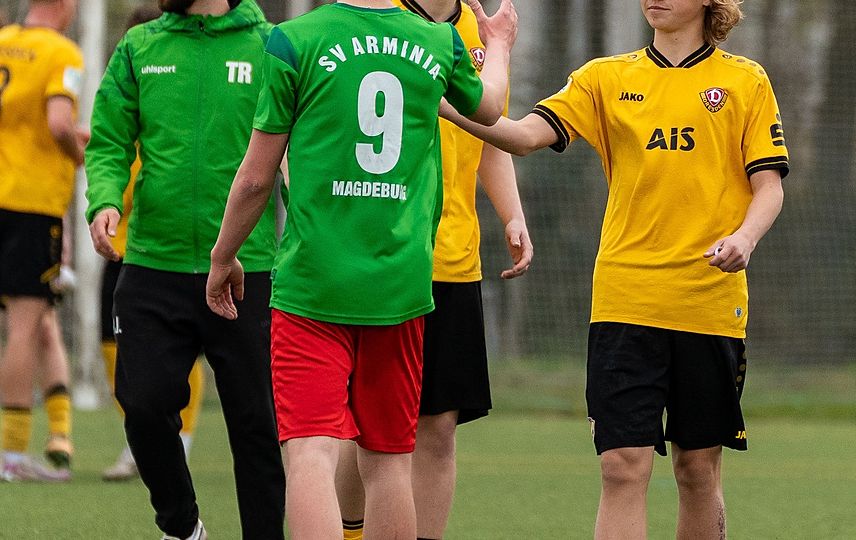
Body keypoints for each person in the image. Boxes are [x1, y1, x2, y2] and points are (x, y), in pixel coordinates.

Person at [441, 0, 788, 537]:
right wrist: (441, 101)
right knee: (621, 466)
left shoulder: (745, 81)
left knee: (698, 470)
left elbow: (769, 188)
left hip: (708, 304)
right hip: (624, 303)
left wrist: (745, 237)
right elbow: (523, 136)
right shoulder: (604, 78)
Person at [205, 0, 517, 537]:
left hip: (312, 287)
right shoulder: (437, 41)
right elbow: (490, 110)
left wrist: (222, 256)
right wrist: (502, 46)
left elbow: (256, 179)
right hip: (402, 288)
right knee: (390, 460)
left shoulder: (293, 40)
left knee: (310, 454)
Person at [84, 0, 285, 538]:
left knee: (258, 427)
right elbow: (109, 138)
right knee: (143, 406)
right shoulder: (139, 46)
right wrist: (104, 198)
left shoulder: (270, 46)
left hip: (248, 270)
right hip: (153, 265)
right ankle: (183, 528)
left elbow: (301, 151)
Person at [333, 1, 532, 539]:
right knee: (367, 425)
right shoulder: (376, 18)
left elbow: (490, 133)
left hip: (453, 261)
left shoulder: (480, 30)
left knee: (440, 427)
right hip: (382, 257)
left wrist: (512, 215)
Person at [96, 2, 206, 484]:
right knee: (112, 345)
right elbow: (109, 151)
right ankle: (140, 437)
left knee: (186, 350)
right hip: (120, 247)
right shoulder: (125, 94)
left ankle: (181, 439)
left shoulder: (183, 100)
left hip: (170, 248)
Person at [0, 0, 84, 483]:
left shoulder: (3, 42)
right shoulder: (62, 53)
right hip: (30, 206)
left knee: (40, 323)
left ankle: (59, 438)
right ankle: (11, 457)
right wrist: (79, 153)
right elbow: (58, 124)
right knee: (24, 327)